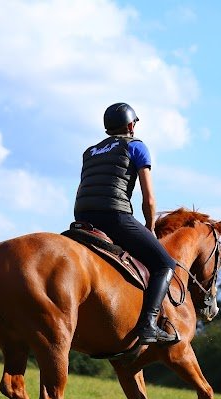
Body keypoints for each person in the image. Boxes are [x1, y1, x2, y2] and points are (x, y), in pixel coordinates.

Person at [74, 102, 178, 345]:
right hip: (114, 216)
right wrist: (150, 227)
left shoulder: (90, 152)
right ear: (131, 125)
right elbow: (149, 199)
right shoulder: (136, 146)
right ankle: (148, 325)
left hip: (82, 217)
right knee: (165, 264)